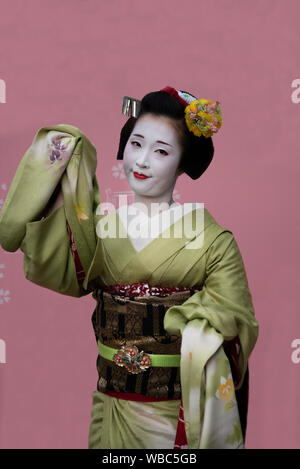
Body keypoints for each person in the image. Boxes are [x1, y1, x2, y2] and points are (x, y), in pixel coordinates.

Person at [0, 86, 259, 449]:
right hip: (111, 407)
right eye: (136, 144)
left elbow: (237, 320)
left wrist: (190, 326)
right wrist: (58, 166)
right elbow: (64, 268)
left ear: (183, 162)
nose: (141, 161)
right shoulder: (101, 228)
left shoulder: (214, 241)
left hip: (175, 414)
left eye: (161, 151)